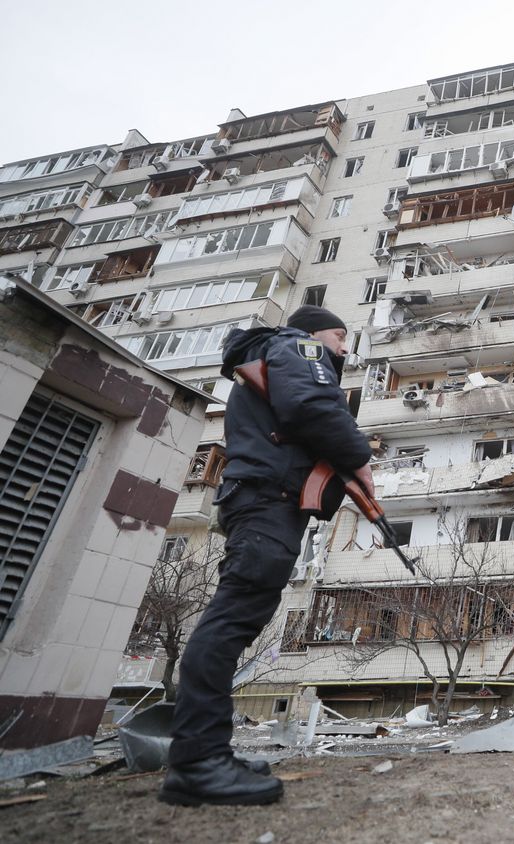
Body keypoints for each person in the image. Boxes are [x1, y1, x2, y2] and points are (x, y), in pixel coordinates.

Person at [161, 306, 374, 805]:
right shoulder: (298, 348)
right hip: (266, 500)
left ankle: (207, 752)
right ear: (312, 332)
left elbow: (297, 417)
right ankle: (197, 764)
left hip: (260, 498)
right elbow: (313, 407)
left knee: (236, 618)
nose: (343, 349)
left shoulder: (272, 360)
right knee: (231, 619)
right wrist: (359, 460)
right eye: (339, 337)